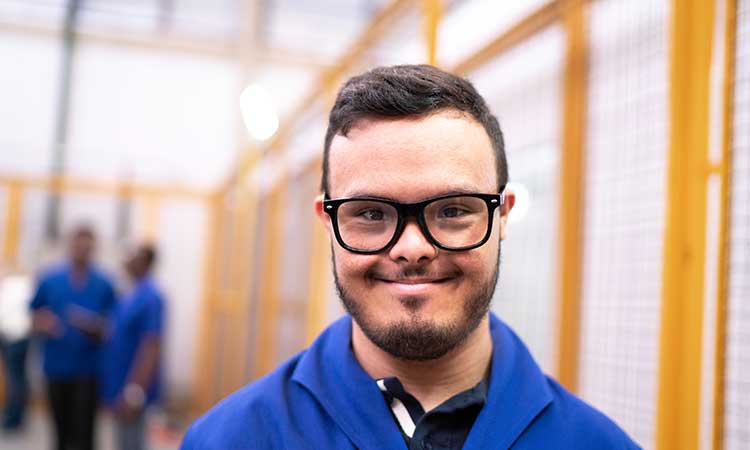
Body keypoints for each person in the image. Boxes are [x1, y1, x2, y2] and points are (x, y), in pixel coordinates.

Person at [181, 65, 640, 449]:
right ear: (327, 221)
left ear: (503, 217)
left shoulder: (597, 443)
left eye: (453, 210)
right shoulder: (230, 438)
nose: (412, 248)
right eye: (371, 214)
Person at [30, 225, 116, 450]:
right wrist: (43, 322)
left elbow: (112, 326)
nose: (82, 251)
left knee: (85, 432)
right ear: (70, 246)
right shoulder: (50, 279)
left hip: (88, 370)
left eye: (87, 247)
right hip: (56, 367)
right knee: (60, 430)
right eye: (78, 246)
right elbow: (34, 314)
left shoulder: (104, 283)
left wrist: (94, 326)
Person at [100, 243, 165, 450]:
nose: (126, 260)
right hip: (119, 379)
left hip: (133, 384)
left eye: (132, 256)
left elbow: (151, 344)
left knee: (132, 442)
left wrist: (135, 390)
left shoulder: (151, 297)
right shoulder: (130, 294)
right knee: (122, 440)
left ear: (144, 262)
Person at [0, 271, 32, 432]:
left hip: (13, 336)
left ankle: (13, 418)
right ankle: (16, 416)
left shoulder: (13, 287)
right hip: (18, 336)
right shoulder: (21, 286)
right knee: (18, 378)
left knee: (14, 379)